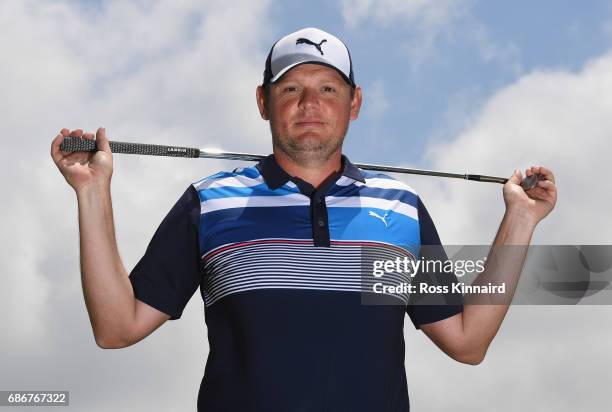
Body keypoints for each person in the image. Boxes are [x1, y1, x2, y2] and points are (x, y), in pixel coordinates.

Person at [50, 27, 557, 411]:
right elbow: (117, 328)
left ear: (354, 104)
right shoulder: (210, 203)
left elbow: (468, 342)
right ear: (263, 103)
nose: (310, 104)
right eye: (291, 89)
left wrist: (521, 220)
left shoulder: (398, 209)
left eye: (329, 89)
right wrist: (92, 193)